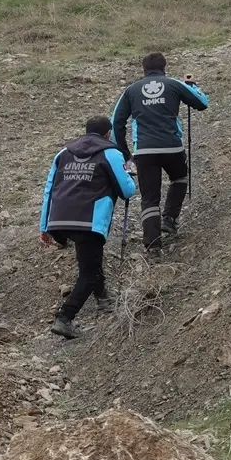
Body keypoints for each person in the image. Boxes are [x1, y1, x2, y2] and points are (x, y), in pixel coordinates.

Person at [39, 116, 138, 339]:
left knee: (89, 260)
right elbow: (127, 191)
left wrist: (44, 226)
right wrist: (130, 175)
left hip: (61, 219)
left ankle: (103, 298)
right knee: (89, 273)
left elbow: (48, 189)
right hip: (89, 219)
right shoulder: (111, 152)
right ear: (108, 134)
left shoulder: (63, 153)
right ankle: (65, 317)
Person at [111, 52, 209, 258]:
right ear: (164, 67)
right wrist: (192, 86)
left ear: (143, 69)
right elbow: (202, 103)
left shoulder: (131, 90)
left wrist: (125, 152)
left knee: (149, 198)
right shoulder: (174, 84)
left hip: (144, 151)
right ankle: (170, 220)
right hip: (172, 147)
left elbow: (116, 122)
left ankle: (153, 246)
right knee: (180, 177)